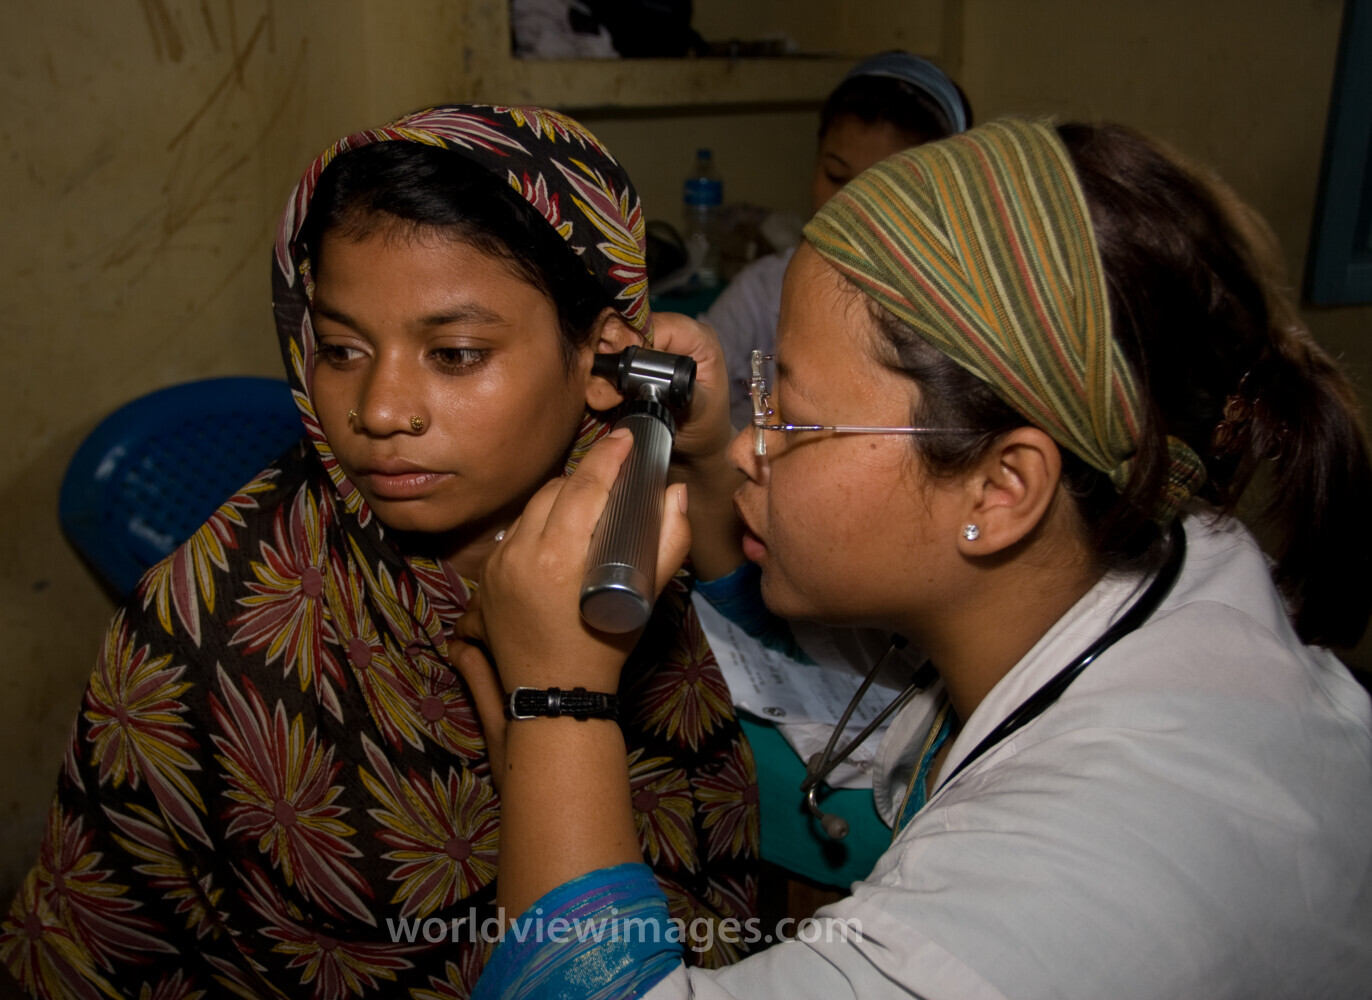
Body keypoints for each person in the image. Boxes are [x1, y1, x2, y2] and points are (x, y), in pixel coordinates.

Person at [452, 118, 1372, 997]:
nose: (747, 445)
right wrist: (714, 474)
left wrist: (558, 702)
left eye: (794, 417)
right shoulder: (1138, 554)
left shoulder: (1072, 887)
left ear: (1001, 488)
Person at [0, 105, 759, 999]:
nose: (380, 409)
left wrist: (707, 467)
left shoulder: (633, 532)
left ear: (603, 359)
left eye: (456, 353)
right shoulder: (202, 636)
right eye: (340, 348)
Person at [705, 51, 971, 429]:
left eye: (882, 191)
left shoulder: (954, 330)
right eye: (835, 175)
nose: (848, 208)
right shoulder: (762, 294)